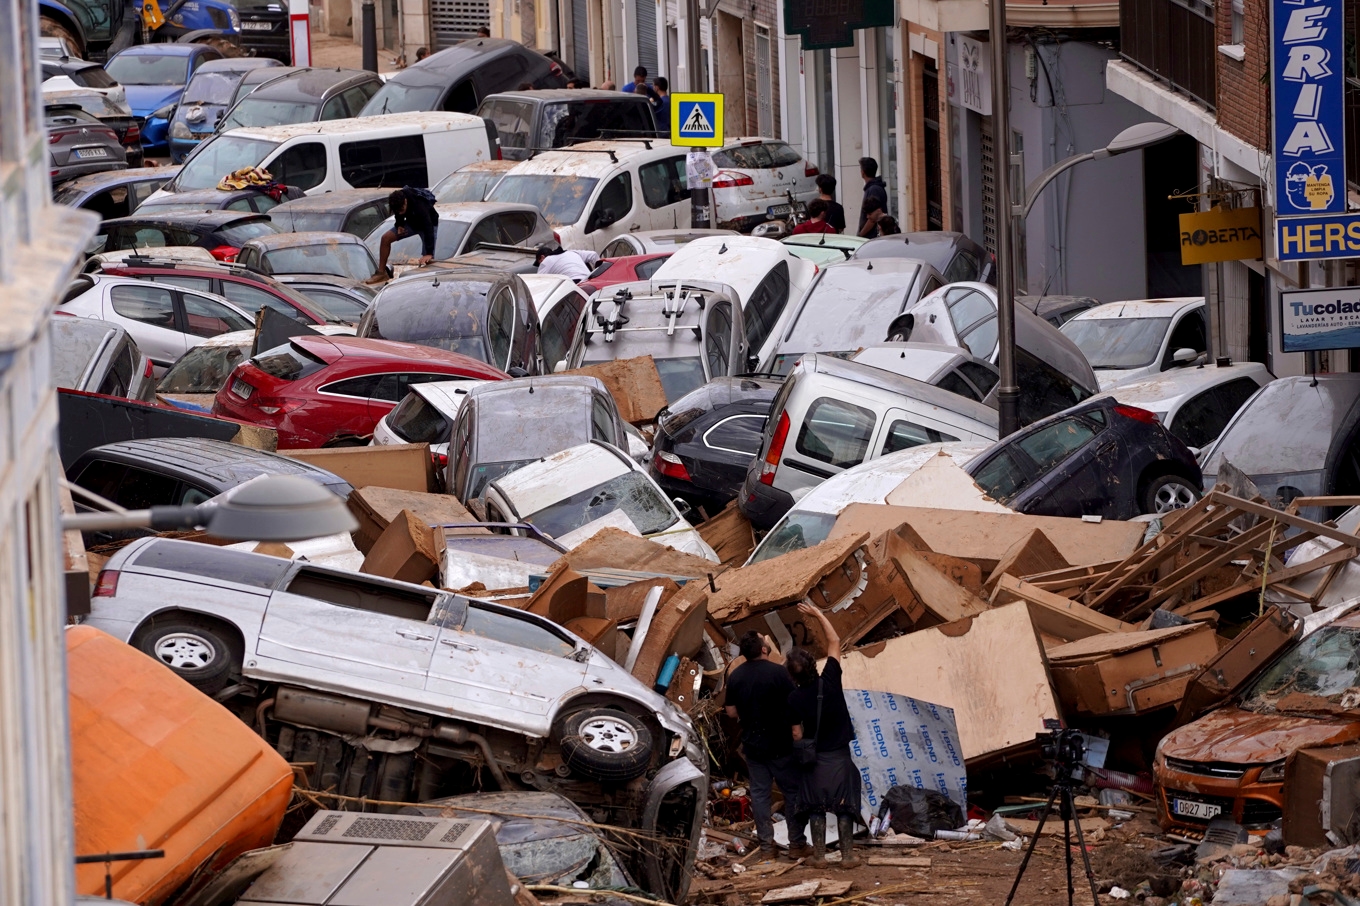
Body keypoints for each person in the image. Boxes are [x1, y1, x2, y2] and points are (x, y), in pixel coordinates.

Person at [787, 602, 862, 870]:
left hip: (815, 760)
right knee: (844, 805)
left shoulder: (794, 699)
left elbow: (796, 734)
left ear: (792, 676)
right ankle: (847, 856)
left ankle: (819, 856)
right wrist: (818, 614)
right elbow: (835, 640)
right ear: (813, 665)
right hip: (840, 756)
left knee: (815, 806)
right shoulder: (831, 678)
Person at [725, 632, 811, 861]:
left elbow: (731, 712)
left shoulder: (735, 677)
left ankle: (766, 848)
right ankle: (796, 845)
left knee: (761, 796)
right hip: (781, 744)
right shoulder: (779, 673)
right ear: (764, 649)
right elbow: (794, 703)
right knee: (792, 793)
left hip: (753, 746)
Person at [368, 186, 438, 283]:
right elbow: (398, 214)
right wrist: (400, 225)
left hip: (427, 225)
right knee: (385, 238)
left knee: (427, 258)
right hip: (412, 223)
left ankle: (429, 280)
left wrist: (429, 253)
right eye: (398, 211)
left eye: (402, 209)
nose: (400, 212)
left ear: (405, 201)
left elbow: (428, 227)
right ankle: (381, 273)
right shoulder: (397, 201)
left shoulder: (419, 205)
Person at [535, 243, 599, 282]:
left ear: (542, 257)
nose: (540, 265)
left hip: (574, 285)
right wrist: (599, 274)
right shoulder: (572, 252)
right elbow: (594, 255)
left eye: (539, 262)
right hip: (589, 281)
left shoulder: (546, 261)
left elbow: (540, 281)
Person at [857, 157, 888, 235]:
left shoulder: (874, 189)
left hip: (872, 236)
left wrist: (860, 235)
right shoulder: (873, 188)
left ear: (863, 172)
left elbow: (872, 218)